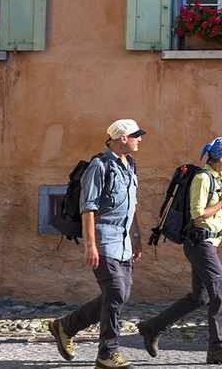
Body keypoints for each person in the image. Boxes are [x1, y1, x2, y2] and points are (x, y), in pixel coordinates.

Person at [49, 119, 145, 368]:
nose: (140, 139)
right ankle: (107, 353)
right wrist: (90, 246)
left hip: (123, 242)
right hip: (104, 240)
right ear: (122, 138)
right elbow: (88, 208)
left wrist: (137, 236)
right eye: (136, 135)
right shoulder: (99, 166)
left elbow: (132, 207)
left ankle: (65, 326)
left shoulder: (130, 165)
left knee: (117, 296)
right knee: (116, 293)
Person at [137, 137, 222, 364]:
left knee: (200, 297)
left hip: (207, 244)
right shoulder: (203, 178)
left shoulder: (217, 176)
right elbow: (197, 214)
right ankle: (217, 348)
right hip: (199, 244)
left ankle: (152, 327)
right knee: (221, 294)